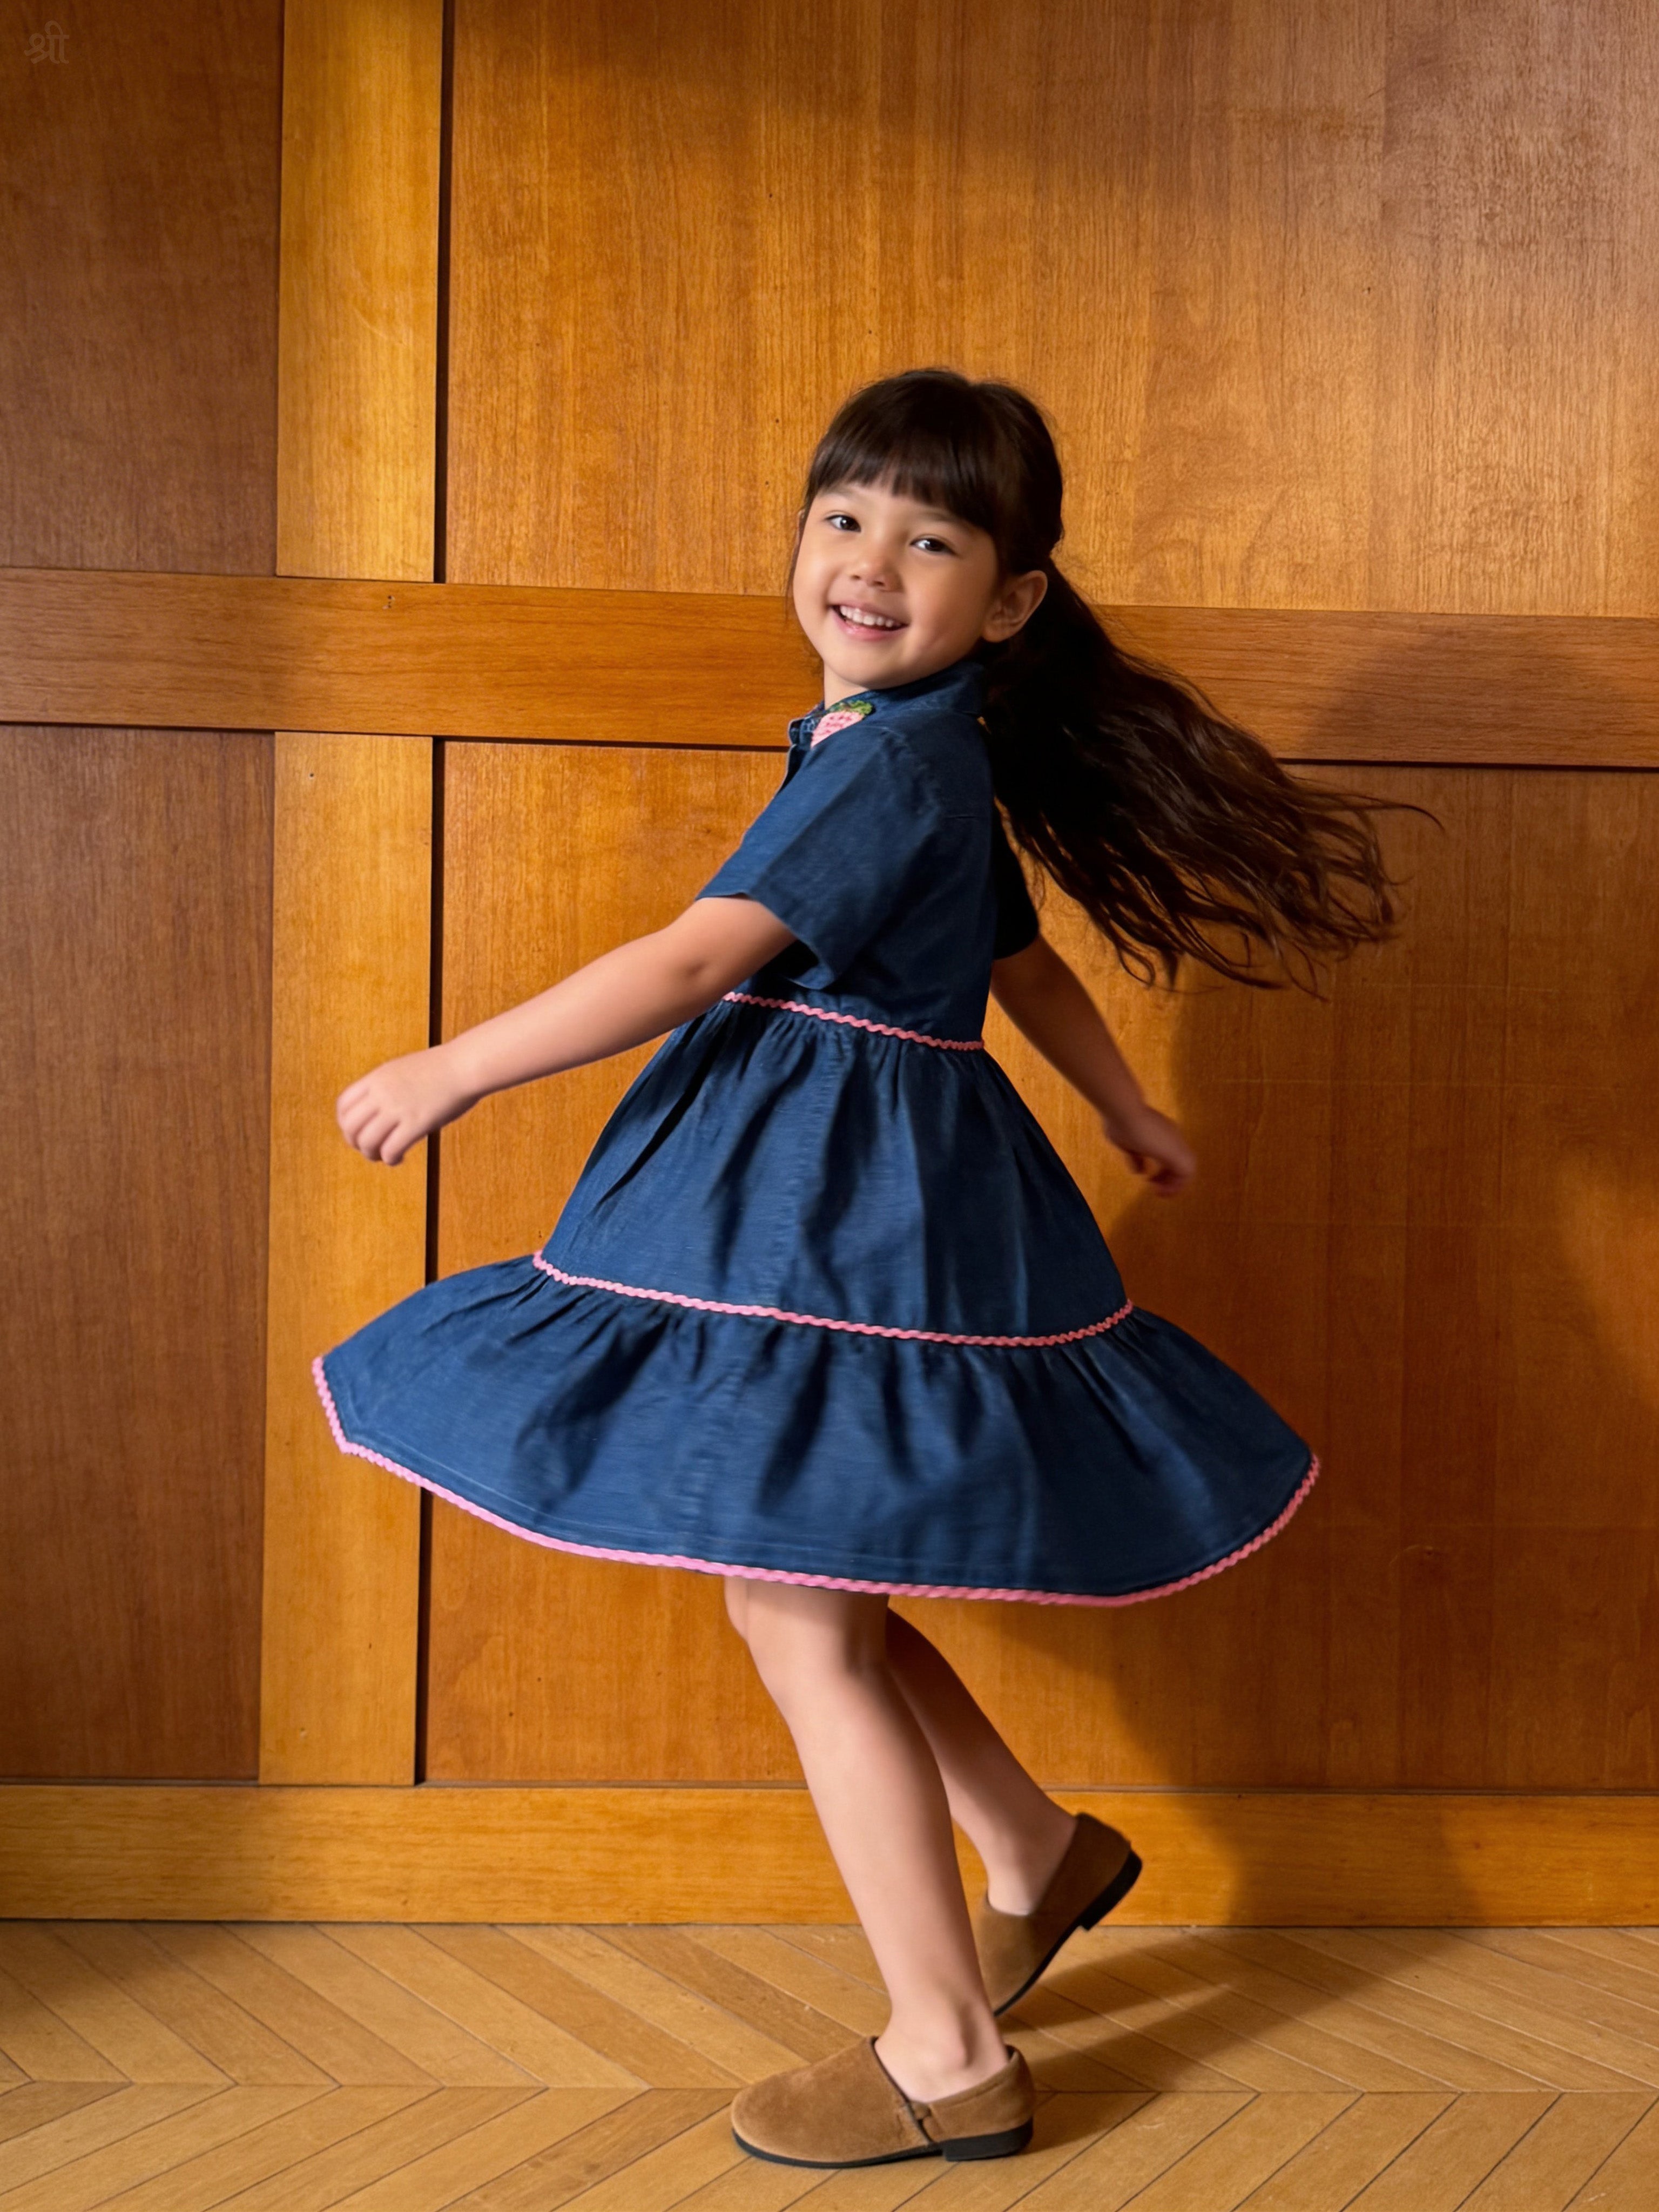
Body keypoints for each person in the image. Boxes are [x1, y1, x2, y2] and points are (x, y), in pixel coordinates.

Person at [315, 369, 1400, 2169]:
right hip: (833, 1197)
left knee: (798, 1604)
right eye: (844, 519)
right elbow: (1021, 955)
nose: (872, 563)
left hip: (839, 1213)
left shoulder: (893, 760)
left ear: (1014, 597)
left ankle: (946, 2052)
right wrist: (1125, 1098)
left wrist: (457, 1067)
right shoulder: (906, 755)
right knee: (802, 1582)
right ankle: (1039, 1856)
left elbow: (686, 968)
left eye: (932, 537)